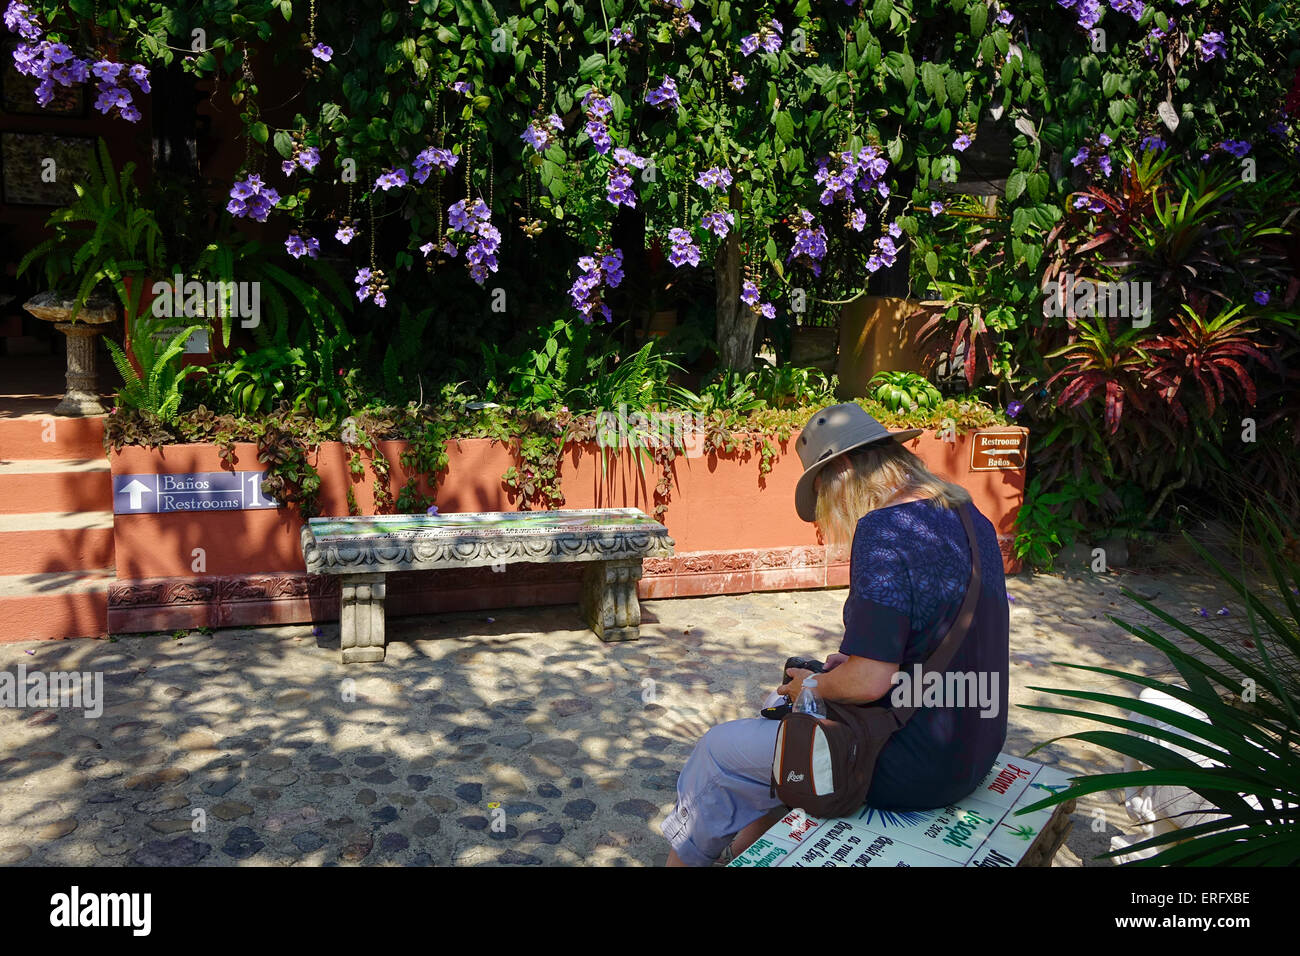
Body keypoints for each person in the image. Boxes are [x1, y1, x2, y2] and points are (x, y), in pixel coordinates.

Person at [661, 402, 1010, 866]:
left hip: (909, 765)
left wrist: (814, 683)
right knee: (790, 719)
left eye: (823, 488)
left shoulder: (884, 531)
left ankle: (685, 859)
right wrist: (849, 669)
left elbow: (869, 682)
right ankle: (749, 846)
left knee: (718, 750)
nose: (827, 508)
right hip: (974, 746)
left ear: (843, 469)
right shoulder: (969, 515)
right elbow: (940, 634)